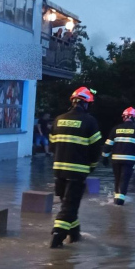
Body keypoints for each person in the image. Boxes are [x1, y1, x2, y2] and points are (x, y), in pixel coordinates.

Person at [48, 87, 103, 248]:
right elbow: (95, 149)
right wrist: (91, 167)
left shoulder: (58, 119)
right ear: (85, 104)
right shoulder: (90, 121)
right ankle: (58, 236)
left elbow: (52, 146)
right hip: (77, 172)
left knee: (68, 204)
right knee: (69, 206)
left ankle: (75, 234)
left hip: (58, 171)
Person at [101, 107, 135, 205]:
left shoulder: (116, 129)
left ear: (123, 117)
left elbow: (107, 145)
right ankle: (119, 205)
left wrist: (105, 157)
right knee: (124, 180)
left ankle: (115, 202)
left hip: (115, 160)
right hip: (129, 160)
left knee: (117, 179)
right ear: (134, 118)